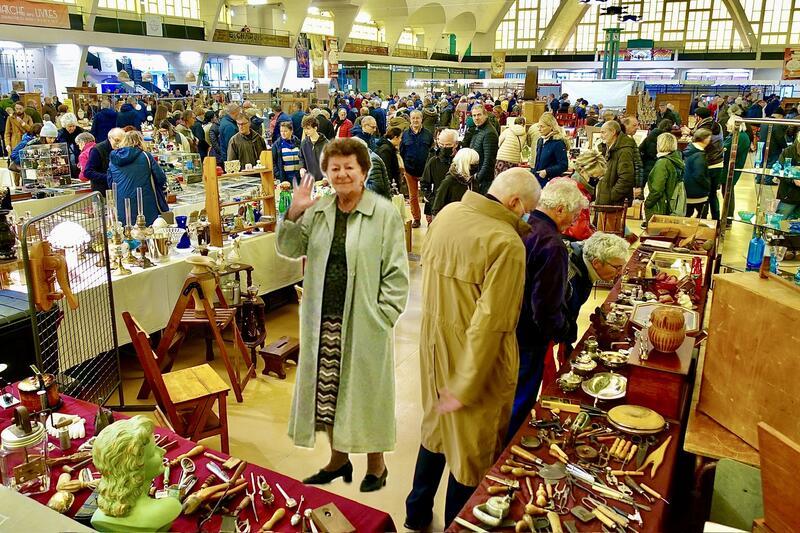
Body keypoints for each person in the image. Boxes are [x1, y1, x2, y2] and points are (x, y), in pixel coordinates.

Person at [405, 168, 540, 530]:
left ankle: (416, 513)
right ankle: (456, 525)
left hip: (434, 353)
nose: (526, 218)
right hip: (474, 366)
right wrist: (465, 386)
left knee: (434, 433)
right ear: (514, 203)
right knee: (471, 455)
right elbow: (490, 326)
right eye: (527, 210)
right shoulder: (506, 244)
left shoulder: (448, 214)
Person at [276, 138, 409, 493]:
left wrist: (383, 316)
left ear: (363, 171)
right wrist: (294, 212)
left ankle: (376, 465)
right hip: (324, 319)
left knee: (367, 394)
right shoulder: (319, 211)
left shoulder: (384, 214)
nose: (342, 174)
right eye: (334, 168)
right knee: (329, 393)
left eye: (349, 167)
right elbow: (289, 249)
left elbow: (397, 274)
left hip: (365, 320)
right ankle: (338, 459)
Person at [508, 178, 588, 439]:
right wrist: (565, 332)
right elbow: (545, 306)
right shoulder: (552, 244)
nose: (574, 223)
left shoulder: (523, 225)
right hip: (530, 337)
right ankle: (509, 453)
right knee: (521, 400)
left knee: (507, 395)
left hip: (509, 326)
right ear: (561, 209)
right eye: (574, 215)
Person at [565, 232, 629, 346]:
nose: (620, 273)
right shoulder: (568, 274)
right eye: (617, 267)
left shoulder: (585, 257)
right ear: (596, 263)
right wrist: (564, 336)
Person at [108, 130, 169, 225]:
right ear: (141, 141)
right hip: (145, 202)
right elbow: (161, 178)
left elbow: (110, 182)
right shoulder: (145, 156)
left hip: (122, 204)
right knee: (148, 233)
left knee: (126, 233)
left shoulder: (113, 159)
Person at [400, 110, 434, 228]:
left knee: (428, 195)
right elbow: (402, 151)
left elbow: (432, 151)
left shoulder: (428, 134)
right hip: (410, 170)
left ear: (421, 119)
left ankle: (430, 219)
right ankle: (416, 219)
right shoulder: (405, 134)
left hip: (426, 171)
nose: (415, 120)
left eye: (417, 118)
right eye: (413, 118)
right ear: (410, 119)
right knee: (413, 196)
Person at [419, 129, 458, 224]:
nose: (444, 148)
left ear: (456, 144)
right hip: (437, 206)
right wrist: (433, 201)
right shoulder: (433, 161)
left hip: (456, 207)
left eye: (448, 145)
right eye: (441, 145)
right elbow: (424, 184)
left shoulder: (460, 161)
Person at [644, 133, 685, 220]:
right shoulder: (676, 159)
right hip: (671, 205)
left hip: (660, 206)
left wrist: (648, 203)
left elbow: (657, 189)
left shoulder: (662, 163)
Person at [596, 120, 636, 205]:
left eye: (603, 132)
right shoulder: (609, 148)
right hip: (607, 202)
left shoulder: (624, 150)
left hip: (614, 205)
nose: (601, 136)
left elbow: (626, 178)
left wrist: (611, 196)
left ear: (613, 132)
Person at [431, 147, 479, 217]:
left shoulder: (473, 181)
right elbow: (436, 209)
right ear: (464, 164)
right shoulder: (448, 182)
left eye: (477, 163)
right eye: (473, 164)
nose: (476, 166)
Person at [722, 115, 753, 219]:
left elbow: (728, 151)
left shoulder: (740, 137)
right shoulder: (735, 135)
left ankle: (728, 217)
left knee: (728, 193)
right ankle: (727, 216)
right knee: (726, 192)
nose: (726, 125)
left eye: (728, 123)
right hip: (729, 167)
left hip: (731, 168)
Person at [532, 112, 569, 188]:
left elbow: (563, 165)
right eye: (538, 126)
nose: (539, 129)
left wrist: (546, 171)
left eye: (542, 127)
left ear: (551, 127)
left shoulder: (558, 143)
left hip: (551, 183)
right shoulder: (540, 140)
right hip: (539, 180)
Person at [469, 104, 499, 195]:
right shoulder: (479, 130)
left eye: (479, 115)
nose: (476, 118)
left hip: (484, 182)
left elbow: (488, 161)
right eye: (474, 115)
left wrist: (477, 178)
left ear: (485, 115)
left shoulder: (489, 133)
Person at [85, 127, 124, 194]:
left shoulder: (123, 149)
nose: (119, 144)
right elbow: (88, 172)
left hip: (119, 189)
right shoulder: (97, 150)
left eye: (122, 141)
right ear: (109, 138)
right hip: (102, 190)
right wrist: (109, 177)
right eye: (117, 140)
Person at [683, 128, 712, 217]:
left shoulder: (689, 149)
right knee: (702, 216)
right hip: (697, 192)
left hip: (687, 190)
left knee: (687, 214)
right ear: (705, 139)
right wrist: (708, 185)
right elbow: (699, 175)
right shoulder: (699, 156)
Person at [776, 134, 800, 219]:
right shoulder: (787, 152)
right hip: (789, 195)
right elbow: (778, 170)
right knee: (779, 222)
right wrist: (792, 180)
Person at [299, 115, 328, 181]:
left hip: (323, 180)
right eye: (304, 128)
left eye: (308, 128)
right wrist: (302, 168)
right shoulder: (304, 143)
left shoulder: (326, 144)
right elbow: (301, 158)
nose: (306, 131)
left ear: (315, 128)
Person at [56, 113, 85, 181]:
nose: (72, 128)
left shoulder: (81, 132)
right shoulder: (61, 135)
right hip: (66, 162)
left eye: (73, 126)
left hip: (79, 160)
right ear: (64, 126)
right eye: (69, 126)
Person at [620, 116, 644, 194]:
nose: (637, 128)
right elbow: (638, 164)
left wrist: (638, 185)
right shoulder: (628, 141)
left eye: (637, 125)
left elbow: (638, 164)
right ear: (625, 125)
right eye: (634, 125)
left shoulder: (630, 140)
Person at [375, 127, 403, 192]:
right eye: (400, 137)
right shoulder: (386, 150)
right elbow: (386, 169)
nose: (401, 140)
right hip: (388, 185)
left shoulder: (389, 148)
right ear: (396, 137)